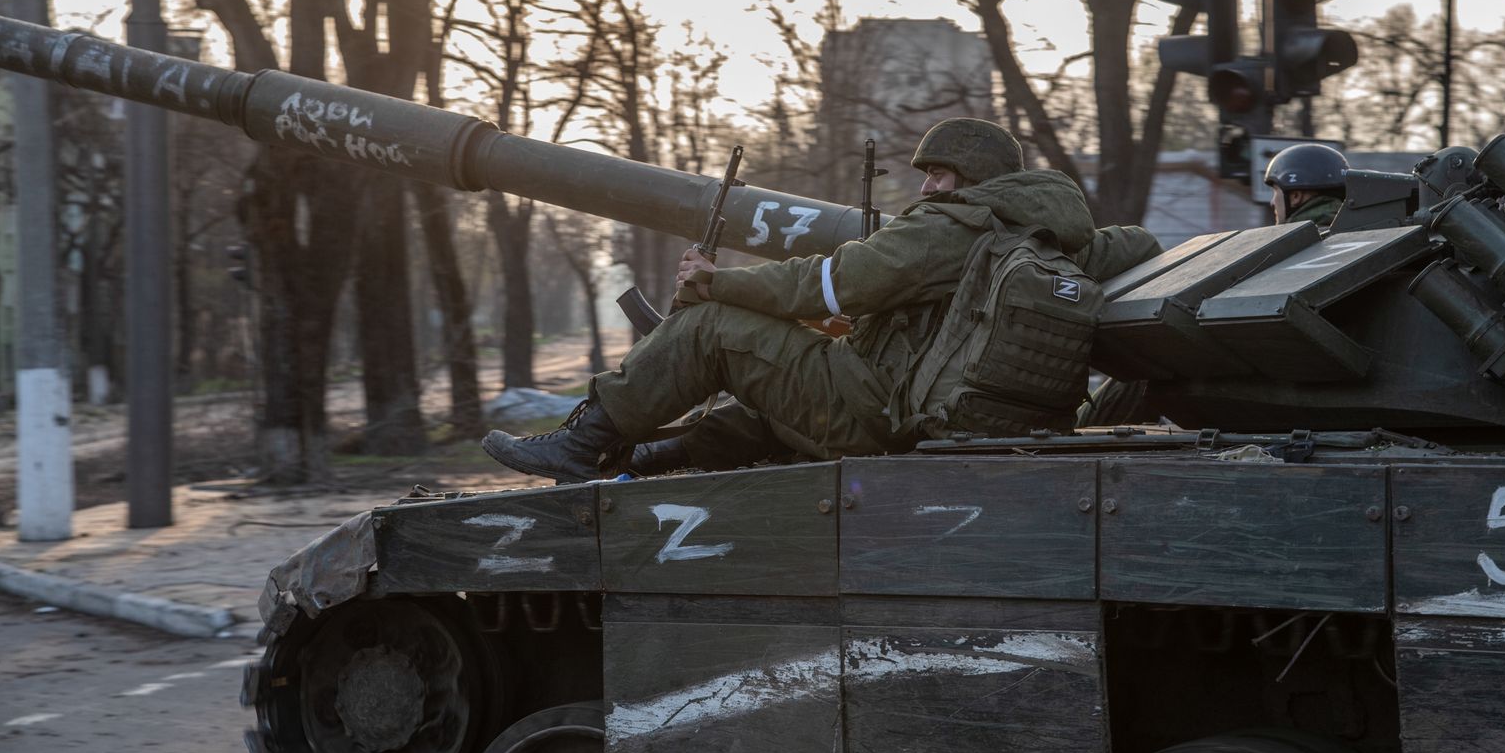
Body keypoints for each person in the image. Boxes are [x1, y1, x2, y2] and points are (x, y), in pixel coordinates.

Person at [481, 117, 1161, 482]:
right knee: (773, 392)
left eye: (940, 175)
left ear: (973, 180)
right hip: (932, 415)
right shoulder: (1041, 239)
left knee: (713, 330)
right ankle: (641, 461)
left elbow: (829, 281)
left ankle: (582, 444)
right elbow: (1134, 245)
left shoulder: (948, 228)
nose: (925, 189)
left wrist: (718, 282)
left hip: (881, 412)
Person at [1264, 142, 1348, 228]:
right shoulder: (1354, 231)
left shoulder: (1298, 240)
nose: (1272, 202)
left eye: (1276, 191)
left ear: (1295, 196)